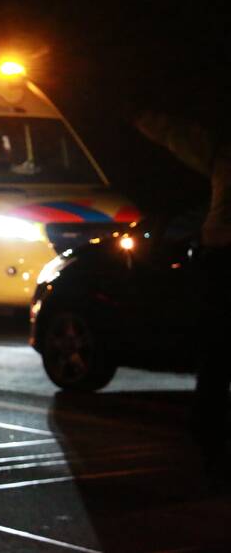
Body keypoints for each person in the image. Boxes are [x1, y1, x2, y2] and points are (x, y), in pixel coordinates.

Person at [135, 110, 230, 464]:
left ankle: (207, 430)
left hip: (219, 254)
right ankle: (208, 430)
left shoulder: (222, 154)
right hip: (219, 254)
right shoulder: (221, 154)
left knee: (217, 350)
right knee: (218, 351)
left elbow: (183, 137)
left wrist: (144, 118)